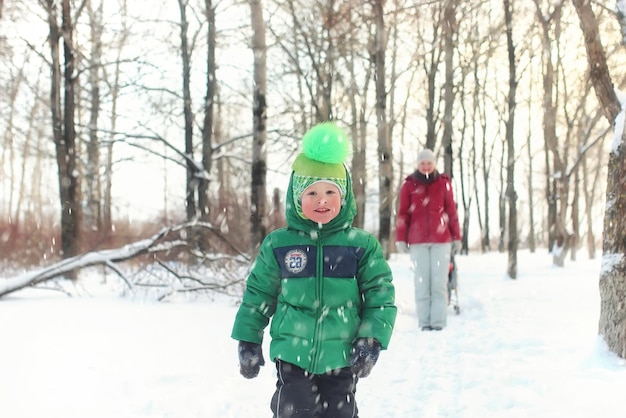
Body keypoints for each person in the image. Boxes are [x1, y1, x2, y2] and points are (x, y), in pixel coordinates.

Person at [231, 122, 397, 418]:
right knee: (295, 411)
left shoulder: (361, 245)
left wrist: (371, 338)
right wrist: (248, 338)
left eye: (331, 192)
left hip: (342, 356)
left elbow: (380, 295)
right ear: (296, 198)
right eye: (311, 193)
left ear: (343, 197)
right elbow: (259, 294)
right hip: (292, 354)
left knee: (339, 412)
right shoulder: (279, 245)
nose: (322, 200)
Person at [395, 148, 461, 331]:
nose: (426, 167)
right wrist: (401, 238)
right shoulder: (409, 185)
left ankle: (438, 322)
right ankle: (424, 322)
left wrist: (456, 237)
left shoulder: (443, 183)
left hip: (441, 240)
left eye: (429, 163)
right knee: (422, 282)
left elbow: (451, 212)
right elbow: (403, 214)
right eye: (422, 163)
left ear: (434, 164)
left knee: (439, 283)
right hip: (417, 241)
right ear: (418, 164)